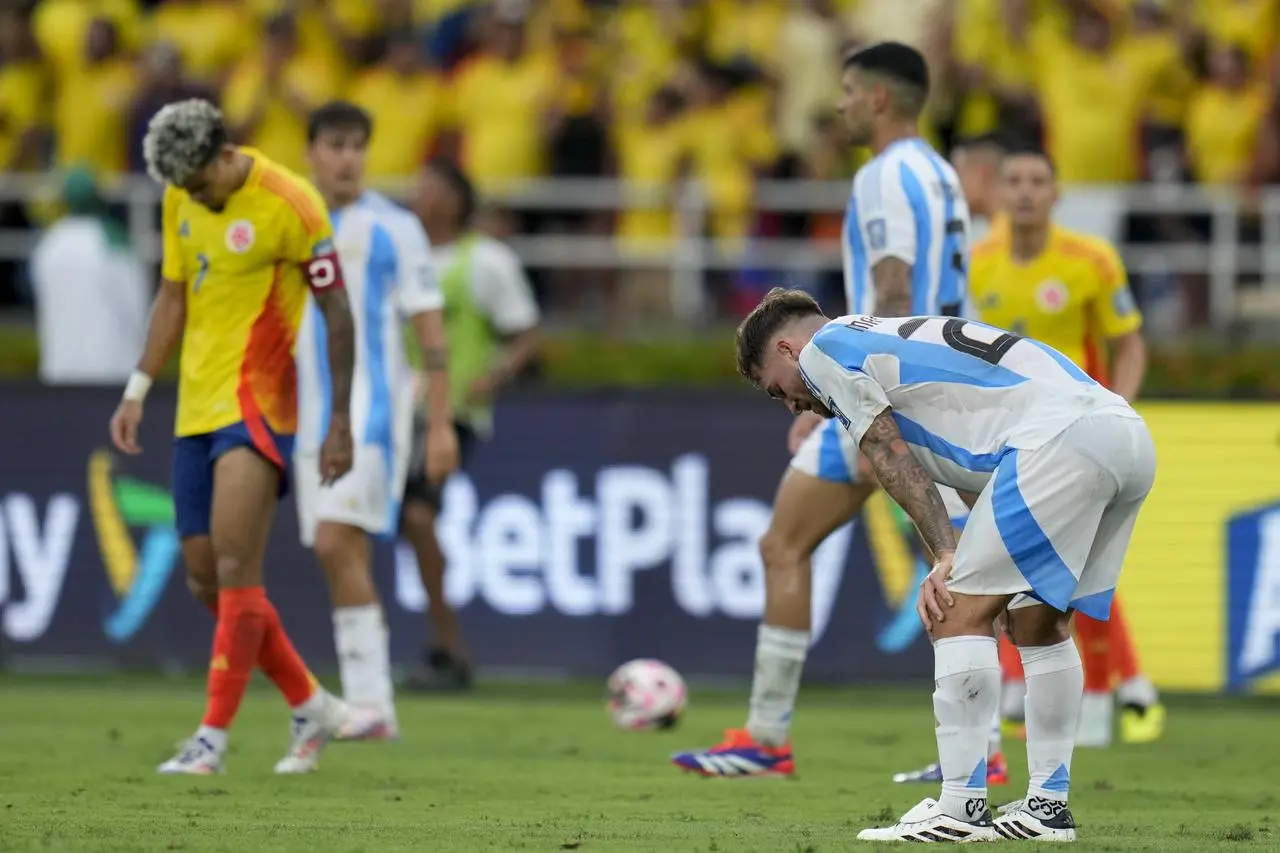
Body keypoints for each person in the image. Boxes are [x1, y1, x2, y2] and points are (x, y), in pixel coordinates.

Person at [672, 41, 1009, 786]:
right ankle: (980, 748)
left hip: (889, 390)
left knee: (796, 546)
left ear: (881, 99)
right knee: (948, 561)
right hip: (941, 390)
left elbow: (891, 290)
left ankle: (769, 738)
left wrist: (853, 396)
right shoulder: (942, 173)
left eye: (850, 91)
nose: (839, 104)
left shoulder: (885, 174)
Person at [737, 288, 1155, 843]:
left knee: (953, 612)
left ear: (789, 350)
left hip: (1056, 443)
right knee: (1038, 620)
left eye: (777, 391)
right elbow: (975, 453)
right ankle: (1047, 807)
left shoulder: (825, 352)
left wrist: (945, 555)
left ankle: (961, 808)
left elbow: (884, 449)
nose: (792, 405)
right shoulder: (882, 335)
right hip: (1122, 434)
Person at [109, 98, 355, 775]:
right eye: (183, 190)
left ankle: (210, 740)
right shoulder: (181, 196)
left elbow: (337, 310)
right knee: (203, 577)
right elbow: (173, 296)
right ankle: (311, 703)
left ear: (225, 152)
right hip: (195, 407)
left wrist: (339, 421)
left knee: (238, 567)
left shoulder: (292, 202)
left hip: (261, 406)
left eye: (201, 184)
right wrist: (137, 389)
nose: (195, 198)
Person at [968, 147, 1164, 747]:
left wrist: (1119, 407)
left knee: (1081, 568)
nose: (1025, 192)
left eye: (1038, 182)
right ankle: (1103, 690)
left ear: (1056, 196)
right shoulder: (978, 265)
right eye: (1015, 182)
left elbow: (1129, 344)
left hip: (1083, 436)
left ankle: (1104, 698)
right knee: (1018, 561)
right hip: (1017, 440)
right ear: (999, 195)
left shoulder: (1092, 261)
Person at [294, 101, 460, 739]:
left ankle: (369, 704)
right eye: (334, 144)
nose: (347, 157)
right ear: (310, 152)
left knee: (337, 541)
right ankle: (373, 709)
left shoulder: (395, 228)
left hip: (371, 415)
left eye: (357, 145)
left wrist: (439, 425)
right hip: (307, 419)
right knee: (337, 552)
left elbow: (430, 332)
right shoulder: (291, 223)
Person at [400, 157, 540, 690]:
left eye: (430, 187)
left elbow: (526, 335)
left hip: (451, 413)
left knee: (417, 514)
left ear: (457, 200)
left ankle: (448, 648)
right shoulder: (399, 257)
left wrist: (495, 374)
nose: (418, 195)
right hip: (391, 412)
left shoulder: (485, 261)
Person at [30, 167, 148, 385]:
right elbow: (136, 304)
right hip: (111, 369)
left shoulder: (49, 243)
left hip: (59, 369)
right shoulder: (112, 239)